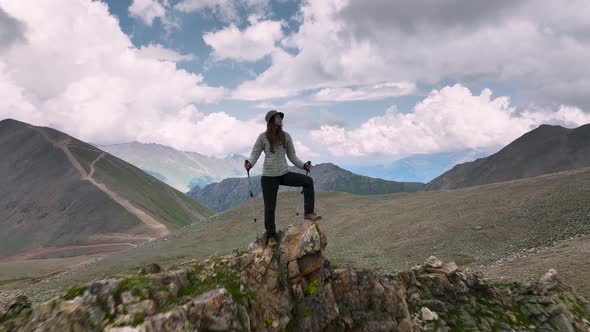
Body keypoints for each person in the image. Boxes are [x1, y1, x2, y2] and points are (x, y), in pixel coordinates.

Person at [244, 110, 321, 244]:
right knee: (270, 208)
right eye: (277, 117)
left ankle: (309, 212)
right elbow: (255, 153)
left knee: (308, 181)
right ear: (270, 120)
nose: (280, 119)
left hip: (284, 173)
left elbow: (292, 156)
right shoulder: (263, 137)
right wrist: (249, 163)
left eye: (280, 117)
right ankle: (271, 236)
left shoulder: (286, 136)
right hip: (268, 176)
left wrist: (304, 165)